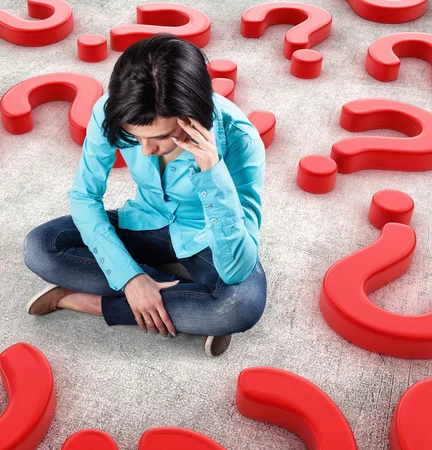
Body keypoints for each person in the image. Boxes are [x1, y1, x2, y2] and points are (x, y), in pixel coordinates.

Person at [23, 33, 267, 357]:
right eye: (135, 137)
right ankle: (189, 309)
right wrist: (131, 279)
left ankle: (87, 301)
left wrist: (212, 170)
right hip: (145, 219)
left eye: (161, 137)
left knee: (241, 305)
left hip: (205, 235)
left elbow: (236, 268)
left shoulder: (241, 139)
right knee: (39, 248)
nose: (146, 150)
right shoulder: (113, 111)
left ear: (193, 114)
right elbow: (84, 196)